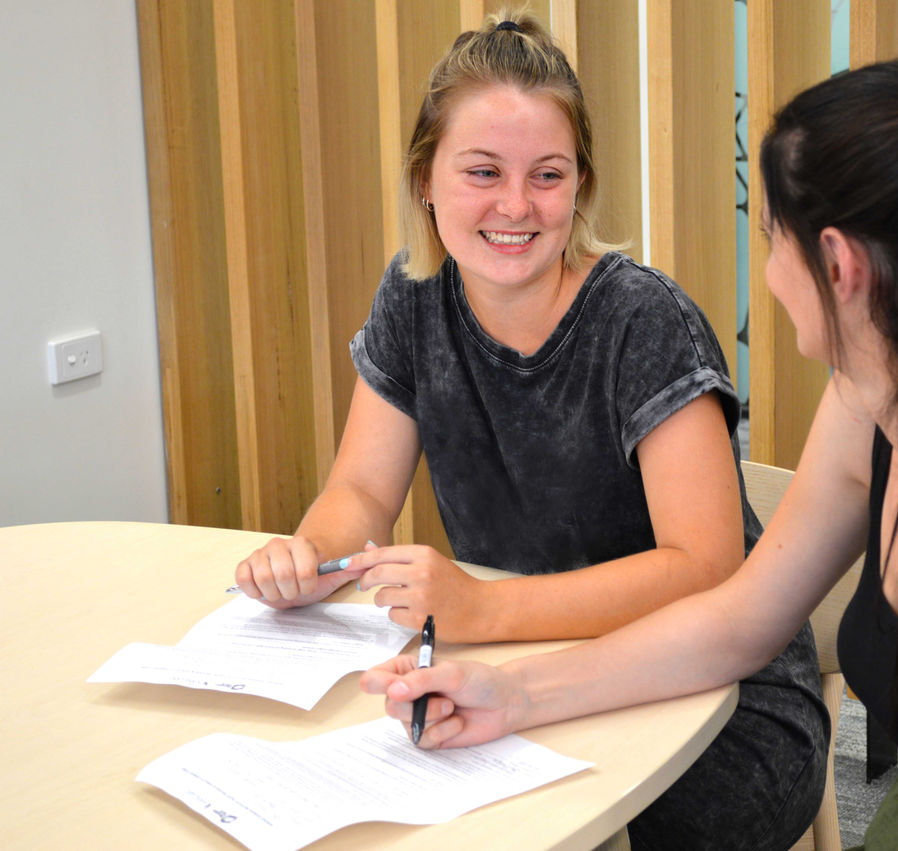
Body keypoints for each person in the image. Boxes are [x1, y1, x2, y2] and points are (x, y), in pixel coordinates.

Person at [362, 54, 898, 849]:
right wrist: (515, 697)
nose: (768, 271)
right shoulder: (874, 400)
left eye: (771, 234)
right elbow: (741, 620)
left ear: (839, 265)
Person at [233, 12, 826, 851]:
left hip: (718, 696)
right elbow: (362, 489)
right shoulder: (413, 296)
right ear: (424, 180)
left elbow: (708, 570)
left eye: (547, 176)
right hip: (516, 662)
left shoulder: (642, 320)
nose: (516, 205)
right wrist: (308, 555)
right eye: (482, 171)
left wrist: (481, 606)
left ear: (580, 187)